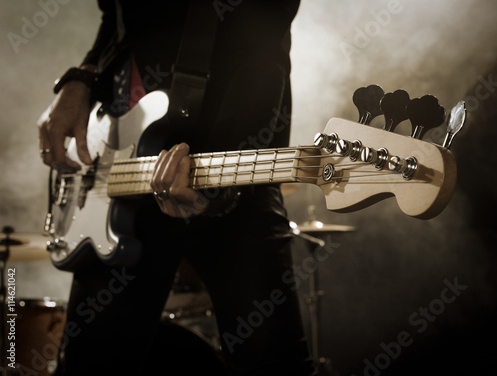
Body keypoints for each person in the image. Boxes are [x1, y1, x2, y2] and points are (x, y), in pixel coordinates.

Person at [38, 1, 317, 375]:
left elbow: (262, 49)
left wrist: (224, 167)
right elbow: (116, 19)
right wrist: (80, 79)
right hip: (115, 165)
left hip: (230, 170)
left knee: (272, 364)